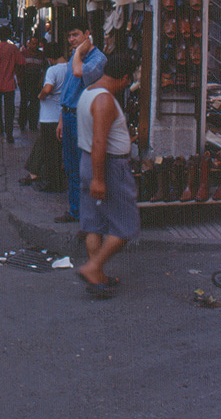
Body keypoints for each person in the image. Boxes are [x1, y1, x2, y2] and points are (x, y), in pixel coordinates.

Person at [76, 54, 139, 299]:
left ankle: (98, 275)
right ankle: (93, 268)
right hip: (107, 167)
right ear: (124, 78)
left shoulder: (89, 92)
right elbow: (100, 141)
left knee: (95, 224)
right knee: (127, 225)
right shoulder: (105, 101)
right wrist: (99, 179)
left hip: (89, 162)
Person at [55, 17, 107, 224]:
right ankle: (75, 211)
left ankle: (89, 215)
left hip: (83, 117)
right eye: (69, 36)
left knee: (84, 168)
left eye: (75, 35)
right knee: (70, 167)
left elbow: (79, 73)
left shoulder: (96, 58)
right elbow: (68, 88)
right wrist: (61, 118)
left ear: (87, 34)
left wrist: (78, 53)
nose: (71, 39)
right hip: (69, 115)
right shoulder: (74, 57)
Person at [20, 42, 67, 191]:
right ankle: (36, 174)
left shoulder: (52, 70)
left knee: (50, 151)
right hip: (62, 114)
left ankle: (51, 182)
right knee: (53, 148)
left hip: (49, 116)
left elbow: (47, 88)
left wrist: (41, 95)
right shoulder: (71, 68)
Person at [0, 25, 26, 143]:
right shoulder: (13, 49)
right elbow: (22, 63)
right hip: (9, 83)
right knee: (9, 108)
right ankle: (9, 133)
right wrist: (17, 74)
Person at [18, 35, 45, 131]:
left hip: (36, 80)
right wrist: (19, 79)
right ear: (29, 44)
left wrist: (41, 82)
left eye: (36, 44)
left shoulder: (41, 55)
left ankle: (33, 124)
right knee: (24, 102)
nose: (35, 46)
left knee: (34, 103)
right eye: (33, 43)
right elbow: (19, 67)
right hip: (25, 79)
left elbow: (43, 70)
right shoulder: (23, 53)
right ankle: (22, 123)